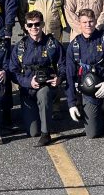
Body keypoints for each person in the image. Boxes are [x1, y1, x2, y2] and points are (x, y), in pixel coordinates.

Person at [65, 8, 104, 149]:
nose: (88, 25)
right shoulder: (74, 46)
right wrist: (71, 103)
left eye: (91, 21)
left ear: (95, 21)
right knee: (92, 133)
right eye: (84, 22)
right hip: (89, 89)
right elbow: (70, 76)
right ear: (79, 24)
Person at [10, 10, 64, 146]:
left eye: (37, 24)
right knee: (33, 132)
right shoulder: (20, 47)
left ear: (43, 24)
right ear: (25, 27)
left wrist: (59, 78)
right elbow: (13, 71)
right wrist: (28, 82)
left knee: (44, 94)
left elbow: (64, 65)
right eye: (30, 25)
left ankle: (46, 134)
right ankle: (41, 118)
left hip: (46, 87)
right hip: (28, 90)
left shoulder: (52, 44)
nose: (34, 27)